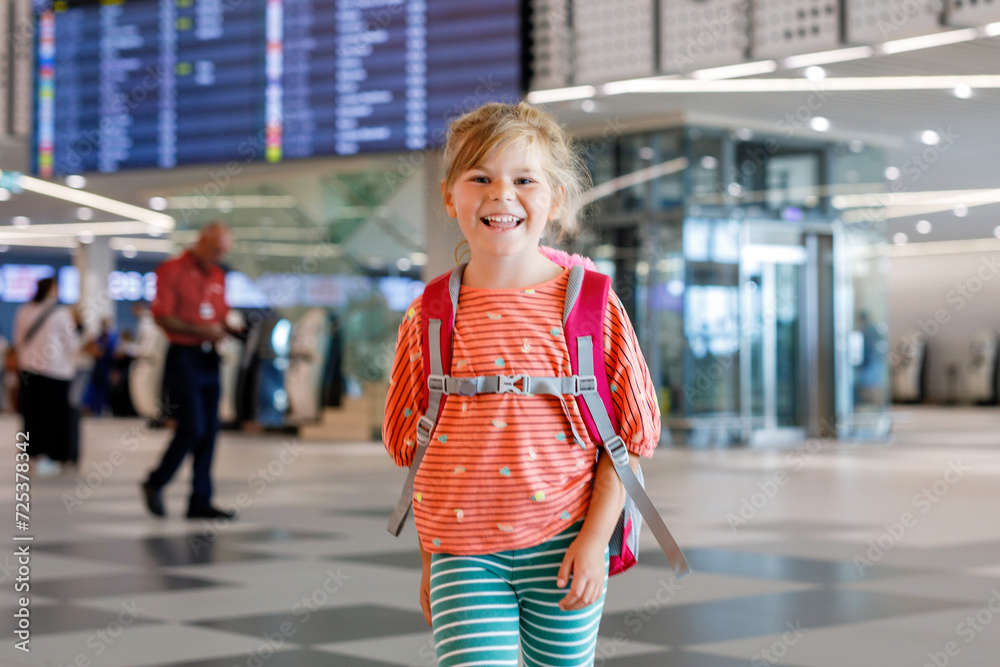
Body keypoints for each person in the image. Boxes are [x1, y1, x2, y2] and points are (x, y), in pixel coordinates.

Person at [382, 102, 660, 665]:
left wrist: (594, 545)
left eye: (524, 180)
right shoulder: (429, 314)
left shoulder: (593, 306)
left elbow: (624, 441)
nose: (501, 195)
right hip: (462, 553)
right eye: (479, 177)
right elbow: (420, 448)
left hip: (565, 544)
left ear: (555, 198)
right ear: (449, 195)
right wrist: (431, 558)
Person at [141, 222, 240, 520]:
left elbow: (219, 315)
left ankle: (200, 500)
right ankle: (155, 481)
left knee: (209, 431)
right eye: (215, 250)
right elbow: (164, 317)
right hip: (183, 357)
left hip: (210, 357)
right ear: (202, 241)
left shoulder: (218, 275)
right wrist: (202, 331)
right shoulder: (171, 270)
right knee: (192, 427)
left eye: (223, 252)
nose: (219, 256)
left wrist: (232, 330)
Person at [13, 276, 82, 476]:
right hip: (56, 371)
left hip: (28, 369)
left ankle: (31, 453)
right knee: (54, 416)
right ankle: (52, 456)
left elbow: (18, 340)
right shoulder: (60, 313)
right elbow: (73, 343)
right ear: (52, 290)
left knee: (30, 414)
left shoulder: (23, 311)